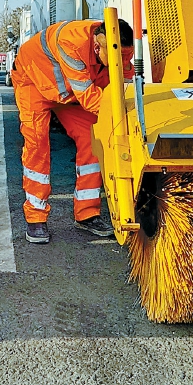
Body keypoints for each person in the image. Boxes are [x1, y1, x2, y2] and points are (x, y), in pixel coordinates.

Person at [12, 18, 134, 244]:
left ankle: (87, 213)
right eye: (115, 57)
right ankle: (36, 217)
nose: (121, 61)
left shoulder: (120, 45)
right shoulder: (72, 41)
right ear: (98, 46)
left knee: (93, 139)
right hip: (34, 82)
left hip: (70, 94)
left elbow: (125, 84)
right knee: (37, 144)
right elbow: (89, 99)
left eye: (124, 56)